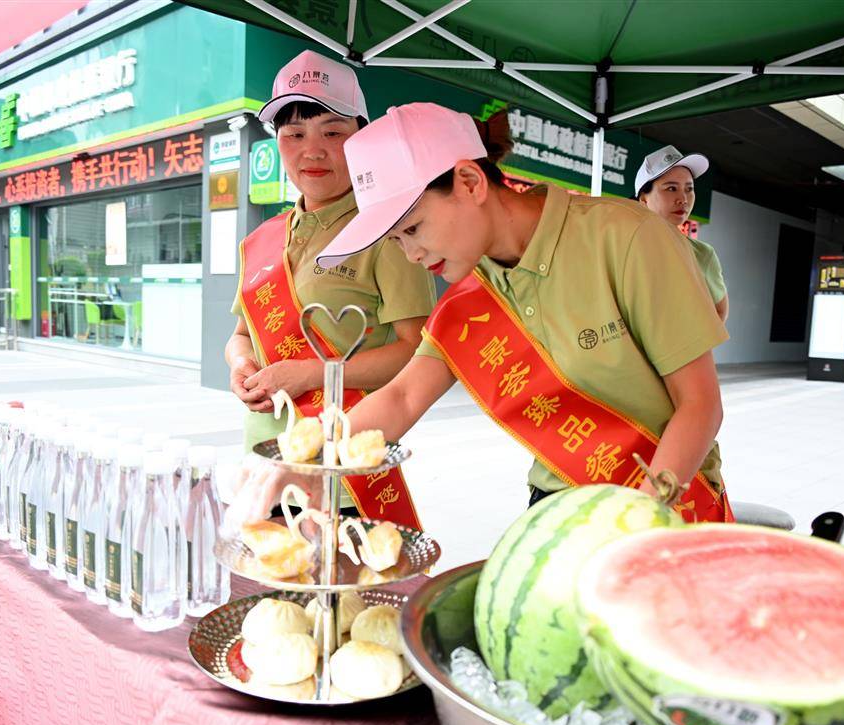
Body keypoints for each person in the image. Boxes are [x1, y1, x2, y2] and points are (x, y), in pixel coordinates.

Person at [312, 103, 733, 521]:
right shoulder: (473, 294)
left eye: (413, 229)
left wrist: (641, 515)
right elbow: (402, 398)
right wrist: (305, 460)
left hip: (669, 502)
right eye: (397, 241)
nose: (412, 255)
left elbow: (700, 405)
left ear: (470, 181)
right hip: (556, 505)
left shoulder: (627, 239)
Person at [223, 52, 435, 526]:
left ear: (362, 137)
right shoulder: (261, 240)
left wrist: (308, 374)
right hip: (265, 461)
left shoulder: (387, 231)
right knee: (271, 596)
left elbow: (418, 353)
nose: (312, 150)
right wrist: (241, 366)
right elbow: (240, 335)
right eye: (294, 134)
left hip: (346, 471)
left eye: (332, 132)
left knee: (344, 597)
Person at [635, 145, 729, 322]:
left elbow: (718, 314)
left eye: (689, 189)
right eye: (671, 188)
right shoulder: (621, 246)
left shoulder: (702, 255)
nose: (683, 199)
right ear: (643, 199)